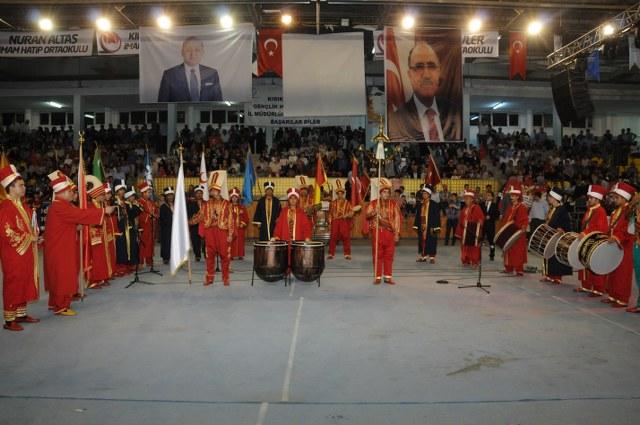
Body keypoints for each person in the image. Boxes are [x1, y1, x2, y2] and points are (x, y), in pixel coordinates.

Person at [44, 171, 115, 316]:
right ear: (62, 191)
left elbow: (68, 222)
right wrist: (103, 211)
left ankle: (56, 303)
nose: (73, 194)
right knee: (62, 275)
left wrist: (76, 226)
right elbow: (80, 215)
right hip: (60, 248)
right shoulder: (60, 206)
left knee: (60, 275)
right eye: (71, 191)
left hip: (63, 245)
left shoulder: (62, 205)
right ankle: (61, 306)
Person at [388, 41, 461, 142]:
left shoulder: (454, 112)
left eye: (432, 66)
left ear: (439, 71)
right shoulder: (395, 120)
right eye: (419, 67)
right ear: (410, 75)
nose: (426, 75)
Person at [0, 164, 39, 331]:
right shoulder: (6, 207)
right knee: (14, 283)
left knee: (24, 280)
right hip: (13, 253)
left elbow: (30, 226)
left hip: (25, 251)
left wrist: (35, 233)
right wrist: (29, 237)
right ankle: (9, 319)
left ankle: (21, 313)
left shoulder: (21, 205)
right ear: (11, 187)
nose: (24, 188)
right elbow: (6, 230)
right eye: (20, 185)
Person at [189, 180, 233, 286]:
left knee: (225, 256)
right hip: (210, 232)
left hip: (222, 232)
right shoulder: (207, 204)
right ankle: (209, 278)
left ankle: (226, 278)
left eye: (214, 190)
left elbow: (231, 219)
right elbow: (200, 216)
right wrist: (189, 222)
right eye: (211, 190)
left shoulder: (227, 204)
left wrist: (230, 234)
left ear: (218, 191)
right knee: (209, 256)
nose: (212, 192)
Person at [157, 36, 223, 102]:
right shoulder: (169, 75)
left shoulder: (212, 74)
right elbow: (162, 105)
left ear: (203, 52)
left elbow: (219, 103)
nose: (193, 54)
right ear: (182, 52)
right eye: (188, 50)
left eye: (197, 50)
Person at [603, 182, 636, 308]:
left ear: (624, 198)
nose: (614, 200)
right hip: (614, 243)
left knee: (623, 273)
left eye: (617, 198)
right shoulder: (617, 210)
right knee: (613, 271)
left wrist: (617, 238)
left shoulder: (629, 211)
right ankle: (613, 295)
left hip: (625, 246)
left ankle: (622, 299)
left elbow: (628, 229)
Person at [366, 178, 401, 285]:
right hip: (378, 232)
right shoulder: (373, 203)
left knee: (389, 255)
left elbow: (397, 219)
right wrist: (374, 212)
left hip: (389, 232)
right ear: (380, 193)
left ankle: (388, 277)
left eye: (388, 192)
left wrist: (396, 233)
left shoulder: (393, 204)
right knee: (377, 255)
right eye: (384, 192)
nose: (386, 194)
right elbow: (367, 215)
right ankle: (377, 277)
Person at [576, 185, 608, 296]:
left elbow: (600, 228)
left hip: (594, 242)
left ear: (597, 199)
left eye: (591, 198)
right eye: (588, 198)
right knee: (584, 264)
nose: (588, 200)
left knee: (594, 265)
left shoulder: (601, 211)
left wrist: (585, 232)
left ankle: (598, 289)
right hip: (587, 241)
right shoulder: (590, 210)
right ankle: (586, 286)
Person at [541, 188, 573, 284]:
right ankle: (549, 275)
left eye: (550, 197)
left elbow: (566, 224)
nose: (548, 198)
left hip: (557, 238)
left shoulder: (562, 210)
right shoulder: (552, 209)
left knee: (555, 258)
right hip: (550, 236)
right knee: (548, 256)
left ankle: (557, 277)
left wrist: (561, 229)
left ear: (555, 198)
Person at [86, 179, 112, 289]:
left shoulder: (100, 205)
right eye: (102, 194)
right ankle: (93, 280)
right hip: (93, 236)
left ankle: (102, 277)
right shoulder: (90, 205)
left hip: (102, 235)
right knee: (95, 258)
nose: (103, 196)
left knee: (102, 257)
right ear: (96, 195)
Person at [502, 185, 528, 276]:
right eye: (511, 196)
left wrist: (523, 227)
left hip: (518, 233)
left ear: (518, 196)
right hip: (509, 232)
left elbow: (524, 219)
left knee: (518, 251)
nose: (511, 197)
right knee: (508, 250)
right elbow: (506, 219)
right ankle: (509, 267)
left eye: (513, 196)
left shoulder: (522, 207)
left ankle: (519, 269)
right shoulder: (510, 207)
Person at [413, 184, 440, 263]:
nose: (424, 195)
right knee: (422, 240)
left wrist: (436, 227)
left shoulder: (434, 204)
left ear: (429, 194)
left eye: (425, 193)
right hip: (422, 225)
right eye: (423, 193)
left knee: (432, 240)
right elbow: (418, 216)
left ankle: (432, 257)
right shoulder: (420, 204)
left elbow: (437, 217)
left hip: (431, 226)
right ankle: (423, 256)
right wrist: (416, 225)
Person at [456, 190, 484, 266]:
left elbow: (481, 219)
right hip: (464, 231)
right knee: (465, 246)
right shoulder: (464, 209)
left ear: (472, 199)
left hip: (473, 231)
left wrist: (478, 223)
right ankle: (466, 260)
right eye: (465, 199)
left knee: (474, 247)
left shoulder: (476, 207)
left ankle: (474, 261)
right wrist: (460, 231)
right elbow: (460, 221)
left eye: (468, 198)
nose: (466, 200)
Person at [328, 179, 354, 260]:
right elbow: (330, 214)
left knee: (346, 237)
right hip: (335, 221)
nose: (340, 195)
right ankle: (331, 253)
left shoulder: (348, 203)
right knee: (333, 237)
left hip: (344, 222)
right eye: (338, 194)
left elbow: (352, 213)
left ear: (343, 194)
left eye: (341, 193)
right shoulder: (333, 203)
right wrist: (330, 223)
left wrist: (348, 215)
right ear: (336, 194)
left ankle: (347, 254)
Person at [137, 181, 158, 268]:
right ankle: (141, 262)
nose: (149, 194)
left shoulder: (151, 202)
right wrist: (148, 217)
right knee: (143, 244)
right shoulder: (139, 202)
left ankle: (149, 260)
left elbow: (156, 211)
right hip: (144, 226)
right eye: (148, 192)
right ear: (143, 192)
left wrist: (156, 215)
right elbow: (139, 214)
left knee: (150, 244)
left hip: (151, 226)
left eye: (150, 192)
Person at [230, 187, 249, 260]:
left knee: (240, 241)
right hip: (231, 228)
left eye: (236, 197)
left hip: (240, 228)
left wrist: (243, 223)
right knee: (231, 241)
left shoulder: (242, 207)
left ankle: (240, 255)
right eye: (233, 197)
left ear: (238, 198)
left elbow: (246, 218)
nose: (234, 199)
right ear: (231, 198)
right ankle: (231, 255)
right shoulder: (228, 207)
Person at [628, 192, 640, 313]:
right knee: (638, 274)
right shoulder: (634, 210)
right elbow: (630, 228)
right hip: (637, 244)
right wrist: (632, 204)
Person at [187, 185, 204, 261]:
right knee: (195, 240)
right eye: (198, 193)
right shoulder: (191, 203)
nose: (199, 194)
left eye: (201, 193)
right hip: (195, 225)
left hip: (205, 225)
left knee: (205, 241)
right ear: (195, 194)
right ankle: (197, 255)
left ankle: (206, 254)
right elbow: (188, 213)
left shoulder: (206, 203)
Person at [481, 191, 500, 261]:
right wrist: (483, 217)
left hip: (490, 226)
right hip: (482, 225)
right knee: (480, 240)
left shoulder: (494, 205)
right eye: (486, 195)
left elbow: (497, 215)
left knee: (491, 241)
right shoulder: (482, 204)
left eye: (489, 195)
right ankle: (478, 255)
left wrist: (491, 217)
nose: (487, 196)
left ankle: (492, 254)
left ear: (492, 197)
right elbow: (479, 213)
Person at [159, 187, 174, 265]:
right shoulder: (163, 207)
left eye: (171, 195)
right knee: (166, 243)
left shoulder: (176, 205)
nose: (170, 197)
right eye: (168, 195)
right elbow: (162, 219)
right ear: (166, 197)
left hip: (175, 228)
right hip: (166, 228)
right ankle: (166, 258)